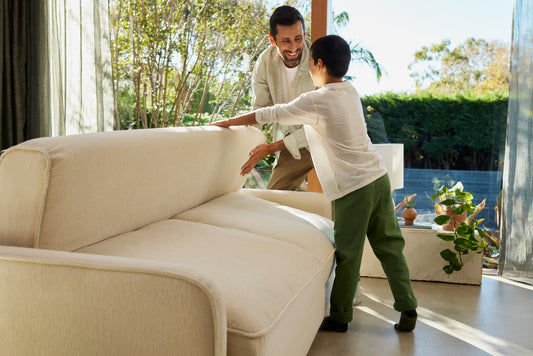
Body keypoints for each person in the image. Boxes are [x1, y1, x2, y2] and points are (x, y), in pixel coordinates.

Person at [209, 34, 418, 333]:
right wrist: (272, 147)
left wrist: (221, 124)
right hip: (378, 179)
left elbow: (268, 114)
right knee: (389, 246)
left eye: (310, 63)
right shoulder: (350, 91)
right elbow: (313, 131)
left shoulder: (317, 100)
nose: (308, 68)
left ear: (319, 64)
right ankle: (408, 307)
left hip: (353, 190)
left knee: (348, 254)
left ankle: (341, 316)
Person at [249, 5, 316, 190]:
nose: (294, 48)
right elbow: (259, 110)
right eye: (286, 41)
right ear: (272, 40)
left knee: (344, 200)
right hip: (292, 143)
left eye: (298, 38)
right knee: (274, 197)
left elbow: (325, 121)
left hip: (325, 139)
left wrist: (271, 148)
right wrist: (247, 147)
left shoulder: (318, 60)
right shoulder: (265, 62)